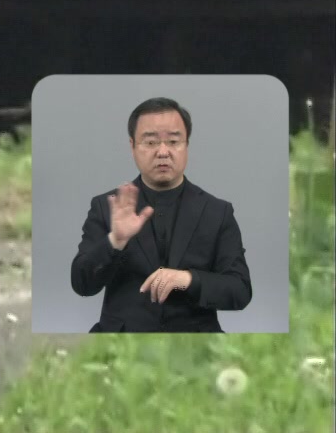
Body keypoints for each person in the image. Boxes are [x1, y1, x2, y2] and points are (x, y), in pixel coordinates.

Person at [69, 96, 252, 332]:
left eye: (174, 141)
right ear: (132, 146)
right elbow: (82, 284)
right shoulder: (107, 207)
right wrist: (115, 241)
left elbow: (240, 290)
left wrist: (188, 279)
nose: (163, 152)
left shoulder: (217, 212)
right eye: (151, 142)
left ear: (187, 145)